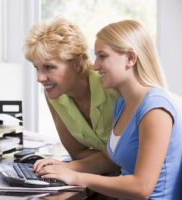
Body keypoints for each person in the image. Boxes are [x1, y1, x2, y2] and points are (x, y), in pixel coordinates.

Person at [33, 20, 182, 199]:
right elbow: (107, 159)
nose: (95, 66)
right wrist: (65, 167)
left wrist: (77, 177)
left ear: (130, 58)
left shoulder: (155, 109)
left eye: (102, 56)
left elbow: (142, 188)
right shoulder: (122, 104)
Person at [23, 17, 117, 160]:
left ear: (77, 64)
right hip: (106, 175)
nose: (39, 78)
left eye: (49, 67)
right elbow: (78, 153)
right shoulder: (55, 95)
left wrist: (69, 170)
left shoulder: (112, 87)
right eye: (37, 68)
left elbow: (130, 155)